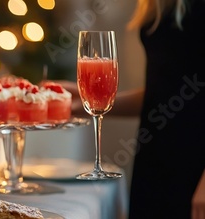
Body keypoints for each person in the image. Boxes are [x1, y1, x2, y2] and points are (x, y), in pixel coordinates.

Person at [60, 0, 205, 218]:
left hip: (195, 163)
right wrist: (81, 104)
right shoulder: (157, 5)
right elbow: (164, 94)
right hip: (155, 157)